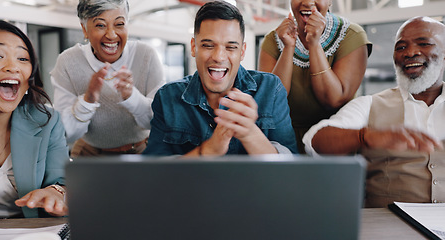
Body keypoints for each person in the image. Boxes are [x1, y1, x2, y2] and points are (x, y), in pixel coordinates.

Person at [303, 16, 445, 208]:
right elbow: (315, 141)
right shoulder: (369, 104)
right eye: (401, 47)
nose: (410, 52)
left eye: (424, 43)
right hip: (387, 227)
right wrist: (365, 136)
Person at [143, 1, 297, 156]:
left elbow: (292, 169)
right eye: (208, 45)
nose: (218, 57)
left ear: (242, 52)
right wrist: (209, 150)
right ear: (193, 47)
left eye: (231, 47)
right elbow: (155, 173)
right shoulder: (167, 97)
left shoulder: (271, 89)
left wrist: (250, 134)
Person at [51, 0, 165, 157]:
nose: (111, 35)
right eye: (100, 25)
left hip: (140, 152)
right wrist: (87, 100)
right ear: (84, 29)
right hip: (89, 153)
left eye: (119, 24)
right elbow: (65, 133)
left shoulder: (146, 55)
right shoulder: (68, 61)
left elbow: (159, 122)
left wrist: (132, 97)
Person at [258, 0, 372, 153]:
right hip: (285, 144)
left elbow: (332, 99)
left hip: (334, 145)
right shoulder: (273, 40)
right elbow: (272, 101)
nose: (307, 2)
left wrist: (314, 43)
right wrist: (288, 47)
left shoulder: (352, 36)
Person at [0, 20, 69, 218]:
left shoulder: (47, 121)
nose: (13, 67)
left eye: (23, 59)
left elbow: (63, 181)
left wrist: (55, 193)